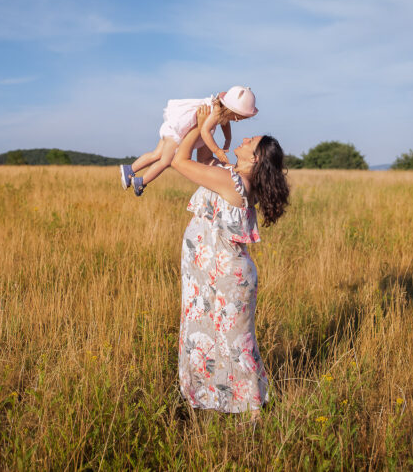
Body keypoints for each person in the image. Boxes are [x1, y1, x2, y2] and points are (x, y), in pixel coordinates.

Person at [170, 104, 289, 417]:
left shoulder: (233, 183)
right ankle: (216, 401)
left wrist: (203, 125)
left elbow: (178, 160)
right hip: (211, 277)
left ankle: (252, 413)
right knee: (208, 340)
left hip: (226, 280)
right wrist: (205, 124)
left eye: (251, 141)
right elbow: (205, 159)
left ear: (256, 159)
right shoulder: (231, 177)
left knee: (235, 348)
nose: (246, 138)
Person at [120, 86, 259, 196]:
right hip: (179, 131)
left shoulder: (222, 112)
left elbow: (225, 124)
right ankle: (141, 181)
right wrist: (217, 150)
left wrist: (228, 139)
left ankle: (130, 169)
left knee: (156, 154)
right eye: (239, 117)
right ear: (234, 112)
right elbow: (205, 131)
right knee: (166, 161)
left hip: (177, 127)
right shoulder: (216, 111)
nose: (237, 120)